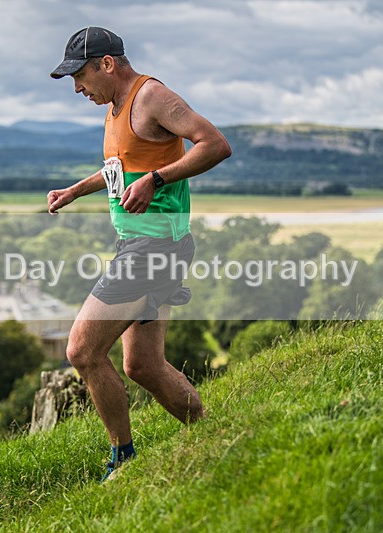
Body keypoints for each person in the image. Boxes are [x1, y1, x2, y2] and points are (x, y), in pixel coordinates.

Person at [47, 26, 231, 481]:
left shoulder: (151, 97)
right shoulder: (113, 108)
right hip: (142, 245)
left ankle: (123, 460)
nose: (77, 88)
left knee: (82, 351)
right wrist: (76, 190)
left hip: (155, 248)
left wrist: (158, 180)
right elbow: (121, 169)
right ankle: (213, 435)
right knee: (142, 365)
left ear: (107, 64)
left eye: (81, 76)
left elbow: (215, 145)